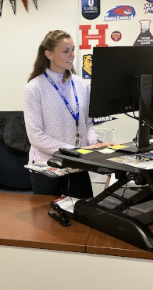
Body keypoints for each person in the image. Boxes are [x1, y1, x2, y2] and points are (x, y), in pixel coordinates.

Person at [24, 30, 115, 197]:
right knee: (46, 220)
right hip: (47, 166)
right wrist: (74, 151)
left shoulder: (81, 85)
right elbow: (36, 136)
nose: (72, 55)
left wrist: (95, 143)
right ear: (49, 54)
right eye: (66, 51)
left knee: (82, 213)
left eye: (73, 49)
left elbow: (87, 124)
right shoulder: (34, 87)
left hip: (77, 165)